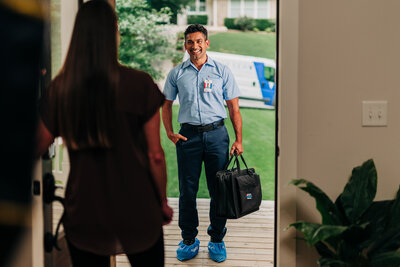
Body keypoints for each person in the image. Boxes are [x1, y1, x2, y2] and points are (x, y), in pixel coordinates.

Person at [36, 1, 173, 266]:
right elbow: (155, 155)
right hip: (138, 209)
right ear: (113, 31)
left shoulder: (60, 90)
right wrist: (162, 202)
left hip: (85, 214)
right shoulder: (139, 84)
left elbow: (35, 145)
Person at [161, 24, 243, 263]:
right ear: (185, 45)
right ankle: (188, 239)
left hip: (217, 135)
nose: (194, 46)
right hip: (188, 137)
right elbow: (166, 105)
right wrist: (169, 132)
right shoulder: (177, 73)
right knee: (188, 191)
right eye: (189, 42)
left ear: (207, 43)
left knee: (219, 189)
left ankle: (217, 238)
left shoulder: (222, 71)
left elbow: (233, 108)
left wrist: (238, 139)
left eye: (198, 41)